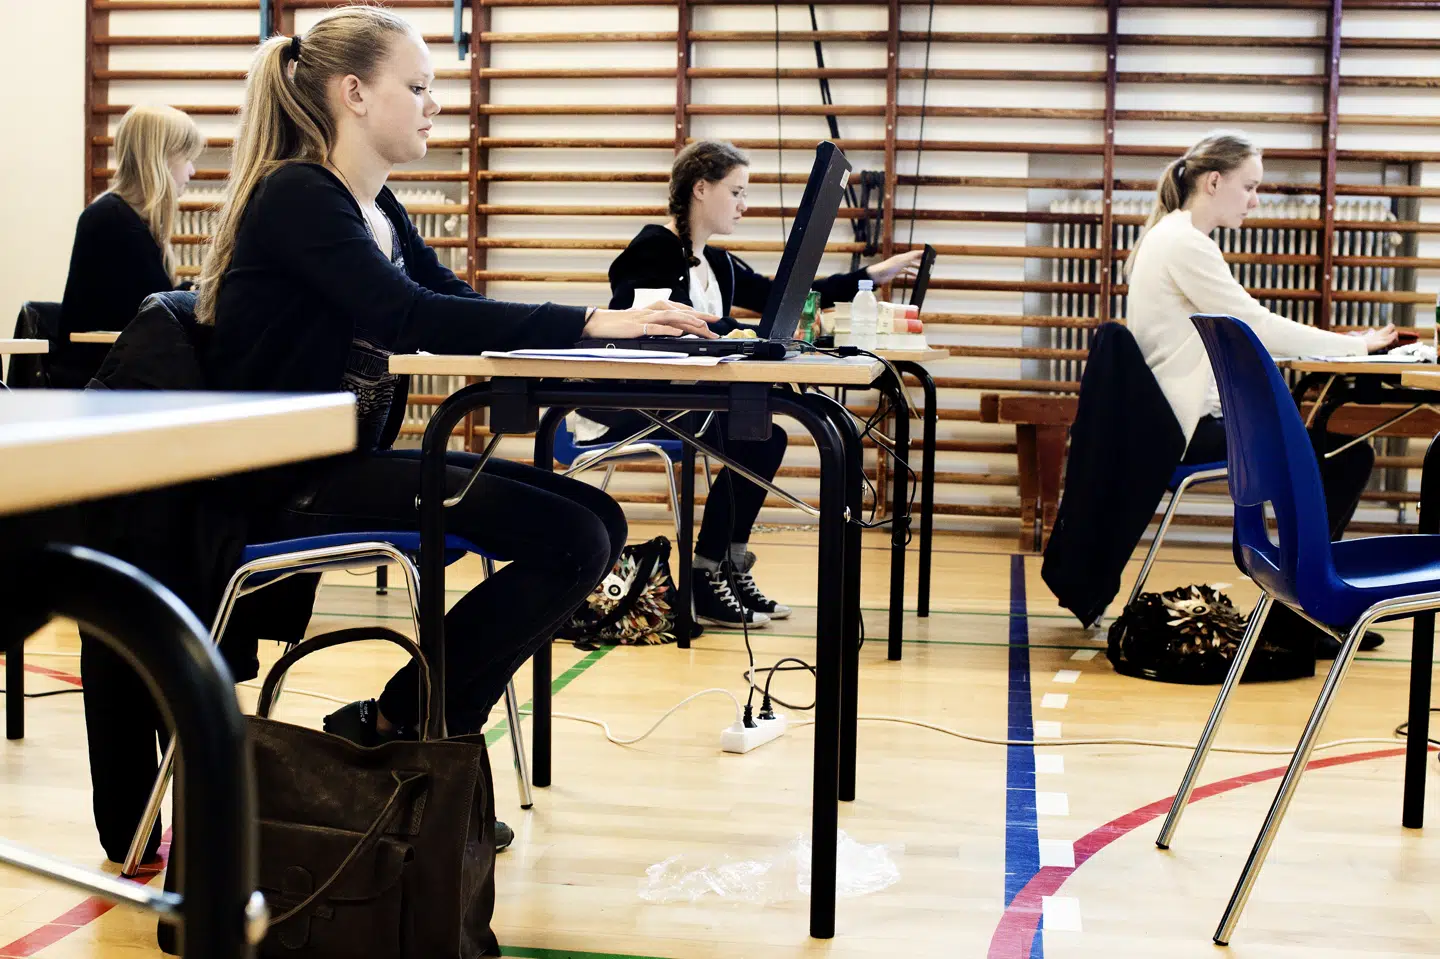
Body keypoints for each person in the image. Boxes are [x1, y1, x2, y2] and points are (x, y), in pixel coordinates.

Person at [201, 2, 717, 817]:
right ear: (354, 95)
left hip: (342, 463)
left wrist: (609, 340)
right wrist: (591, 320)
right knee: (575, 537)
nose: (436, 102)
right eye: (419, 85)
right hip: (282, 480)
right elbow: (407, 313)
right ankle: (414, 731)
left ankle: (407, 728)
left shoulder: (377, 209)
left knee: (599, 523)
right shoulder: (297, 195)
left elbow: (454, 303)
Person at [586, 139, 924, 628]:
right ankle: (706, 575)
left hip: (689, 402)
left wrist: (870, 274)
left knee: (764, 436)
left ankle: (723, 565)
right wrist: (736, 334)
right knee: (756, 437)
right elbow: (644, 329)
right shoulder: (653, 249)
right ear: (700, 189)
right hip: (634, 404)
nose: (745, 205)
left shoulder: (717, 262)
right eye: (737, 192)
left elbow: (782, 295)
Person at [1125, 130, 1398, 655]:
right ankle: (1299, 613)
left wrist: (1346, 345)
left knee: (1329, 454)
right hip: (1185, 431)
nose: (1255, 200)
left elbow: (1248, 326)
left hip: (1175, 422)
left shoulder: (1171, 236)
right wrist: (1357, 346)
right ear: (1213, 181)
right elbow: (1254, 326)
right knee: (1341, 457)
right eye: (1249, 187)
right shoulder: (1184, 242)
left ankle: (1298, 610)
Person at [55, 104, 203, 387]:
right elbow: (151, 314)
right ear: (161, 160)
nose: (192, 171)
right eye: (187, 158)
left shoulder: (122, 217)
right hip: (98, 384)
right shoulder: (112, 220)